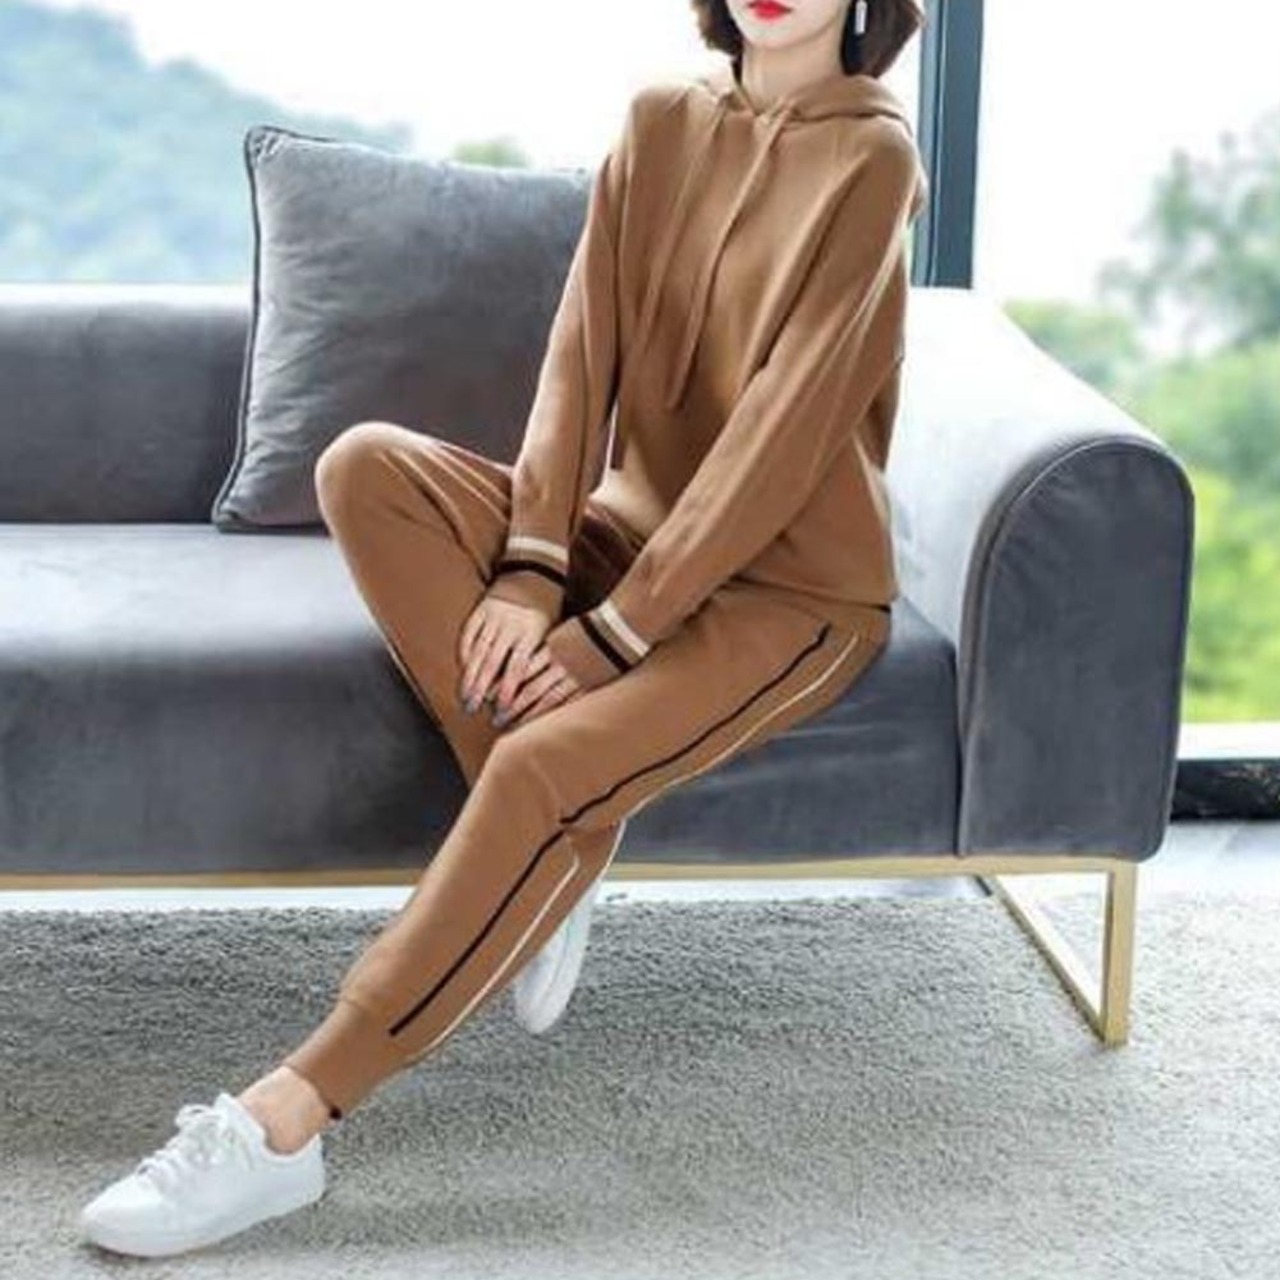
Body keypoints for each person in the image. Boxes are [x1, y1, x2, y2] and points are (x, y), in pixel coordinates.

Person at [78, 0, 928, 1257]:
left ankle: (282, 1128)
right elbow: (581, 354)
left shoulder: (873, 158)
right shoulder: (660, 121)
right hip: (619, 535)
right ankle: (554, 863)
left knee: (537, 766)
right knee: (367, 463)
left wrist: (616, 632)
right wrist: (534, 570)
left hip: (787, 592)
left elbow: (780, 434)